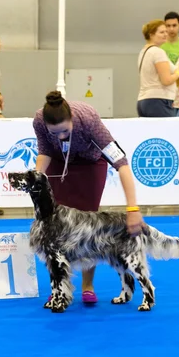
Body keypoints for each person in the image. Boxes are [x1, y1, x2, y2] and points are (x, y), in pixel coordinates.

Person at [32, 91, 144, 304]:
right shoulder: (39, 120)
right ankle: (60, 286)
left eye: (65, 130)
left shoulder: (89, 119)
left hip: (90, 165)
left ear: (73, 120)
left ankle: (87, 285)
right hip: (58, 164)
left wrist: (132, 209)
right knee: (55, 230)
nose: (61, 136)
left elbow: (121, 163)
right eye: (54, 133)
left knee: (87, 228)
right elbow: (45, 151)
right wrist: (38, 183)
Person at [137, 19, 179, 117]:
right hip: (158, 101)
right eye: (161, 32)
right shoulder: (158, 52)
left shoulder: (143, 51)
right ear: (151, 35)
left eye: (166, 32)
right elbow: (166, 80)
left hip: (143, 100)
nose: (165, 34)